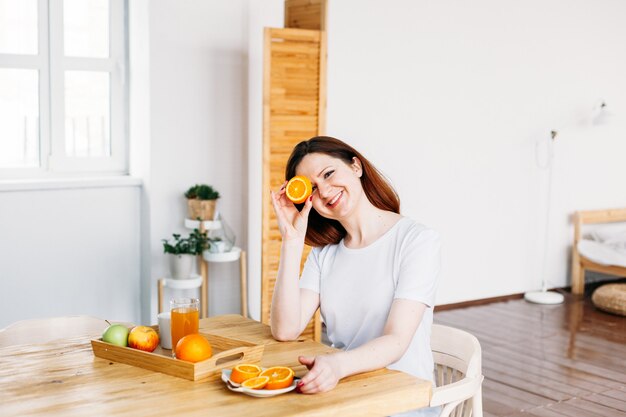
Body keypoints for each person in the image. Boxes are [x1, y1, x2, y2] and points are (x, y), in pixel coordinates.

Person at [270, 136, 441, 416]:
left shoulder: (416, 240)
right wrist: (291, 240)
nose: (324, 191)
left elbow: (397, 340)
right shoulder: (324, 254)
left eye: (328, 174)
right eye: (312, 188)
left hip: (402, 402)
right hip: (345, 396)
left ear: (356, 167)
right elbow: (285, 329)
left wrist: (337, 366)